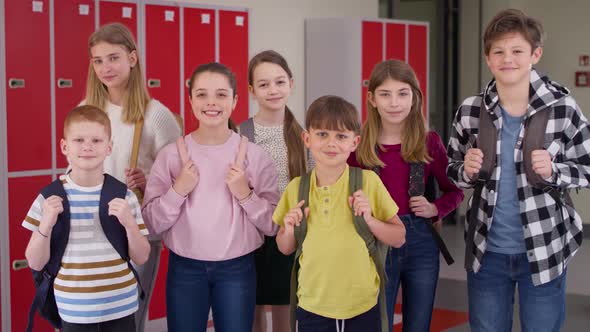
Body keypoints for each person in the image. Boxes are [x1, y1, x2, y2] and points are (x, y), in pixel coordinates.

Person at [447, 9, 590, 332]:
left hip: (544, 248)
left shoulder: (562, 109)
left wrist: (555, 171)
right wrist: (465, 170)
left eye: (517, 51)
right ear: (487, 58)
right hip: (486, 253)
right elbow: (451, 169)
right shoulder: (470, 110)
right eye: (498, 51)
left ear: (534, 54)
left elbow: (587, 167)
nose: (507, 59)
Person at [141, 62, 280, 332]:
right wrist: (178, 190)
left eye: (221, 94)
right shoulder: (170, 155)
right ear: (190, 99)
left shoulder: (256, 157)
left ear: (235, 100)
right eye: (202, 94)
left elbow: (273, 225)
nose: (211, 102)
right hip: (184, 269)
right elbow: (151, 223)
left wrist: (245, 195)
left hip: (237, 270)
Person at [274, 95, 406, 332]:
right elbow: (285, 247)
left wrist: (370, 220)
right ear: (307, 138)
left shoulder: (368, 182)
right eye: (322, 134)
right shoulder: (296, 188)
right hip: (312, 306)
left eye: (341, 136)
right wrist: (289, 229)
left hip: (362, 305)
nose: (331, 143)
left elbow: (399, 237)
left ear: (354, 143)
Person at [349, 59, 464, 332]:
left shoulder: (428, 142)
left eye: (402, 93)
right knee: (378, 323)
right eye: (385, 94)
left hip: (421, 244)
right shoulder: (358, 146)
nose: (394, 102)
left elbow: (455, 191)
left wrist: (435, 209)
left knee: (418, 324)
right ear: (372, 99)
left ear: (415, 98)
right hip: (374, 242)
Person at [84, 22, 181, 331]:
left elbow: (182, 177)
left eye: (113, 58)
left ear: (133, 59)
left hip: (138, 228)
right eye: (98, 60)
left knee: (130, 317)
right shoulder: (87, 110)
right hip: (94, 226)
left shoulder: (156, 115)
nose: (105, 68)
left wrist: (149, 177)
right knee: (94, 314)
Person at [23, 105, 150, 331]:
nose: (87, 147)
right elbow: (35, 262)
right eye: (79, 140)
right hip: (75, 311)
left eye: (97, 141)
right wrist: (45, 225)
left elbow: (141, 257)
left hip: (122, 306)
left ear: (109, 147)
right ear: (65, 146)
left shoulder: (124, 196)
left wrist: (130, 224)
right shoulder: (48, 198)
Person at [241, 50, 307, 332]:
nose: (273, 90)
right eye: (264, 84)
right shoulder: (241, 133)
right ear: (251, 90)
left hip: (288, 232)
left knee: (284, 306)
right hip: (250, 233)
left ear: (291, 83)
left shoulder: (303, 135)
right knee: (252, 306)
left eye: (279, 82)